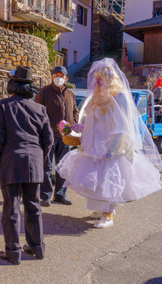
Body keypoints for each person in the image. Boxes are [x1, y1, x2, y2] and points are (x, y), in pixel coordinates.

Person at [56, 58, 162, 228]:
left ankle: (108, 214)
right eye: (96, 79)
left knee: (110, 181)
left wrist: (112, 147)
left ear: (109, 79)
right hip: (93, 146)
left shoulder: (120, 97)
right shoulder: (97, 97)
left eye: (100, 79)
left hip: (111, 147)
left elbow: (122, 125)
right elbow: (95, 121)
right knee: (95, 182)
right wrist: (81, 127)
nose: (97, 82)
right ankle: (99, 210)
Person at [0, 66, 54, 265]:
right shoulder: (40, 108)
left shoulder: (3, 106)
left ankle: (13, 251)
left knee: (11, 207)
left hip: (11, 161)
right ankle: (37, 247)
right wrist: (40, 157)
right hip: (33, 161)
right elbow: (49, 139)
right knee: (33, 205)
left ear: (12, 85)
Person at [35, 65, 79, 206]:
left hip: (66, 136)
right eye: (56, 75)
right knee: (46, 166)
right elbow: (38, 113)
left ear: (66, 78)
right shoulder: (44, 92)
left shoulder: (70, 93)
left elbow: (75, 110)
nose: (58, 78)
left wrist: (74, 125)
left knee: (63, 166)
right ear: (52, 76)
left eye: (61, 76)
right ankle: (45, 196)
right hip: (49, 136)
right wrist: (46, 129)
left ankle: (60, 195)